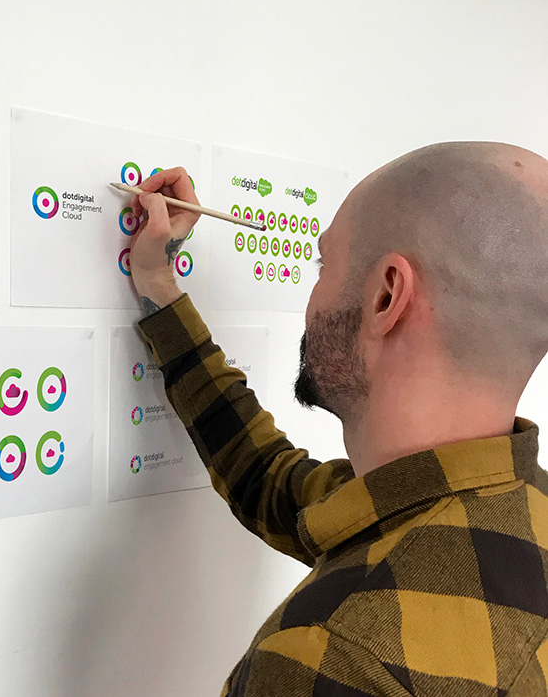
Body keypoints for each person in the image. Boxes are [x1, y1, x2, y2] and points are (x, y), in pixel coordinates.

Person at [129, 143, 548, 696]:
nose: (313, 293)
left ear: (386, 296)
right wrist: (159, 287)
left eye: (324, 264)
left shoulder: (329, 658)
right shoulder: (518, 514)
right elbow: (270, 481)